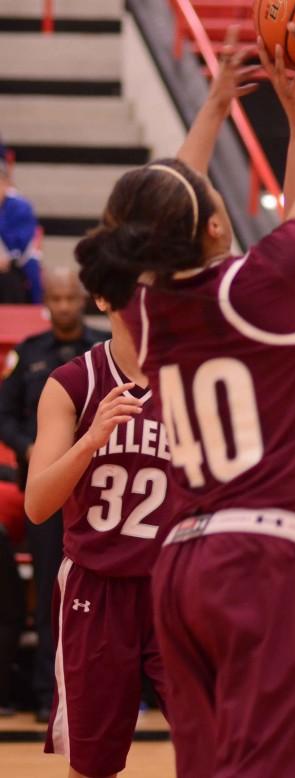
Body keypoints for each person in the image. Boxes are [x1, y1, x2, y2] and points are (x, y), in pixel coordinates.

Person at [74, 15, 295, 777]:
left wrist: (234, 114)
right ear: (209, 224)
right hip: (270, 558)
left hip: (181, 566)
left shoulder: (144, 314)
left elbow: (159, 211)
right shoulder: (259, 284)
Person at [25, 302, 170, 778]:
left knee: (213, 743)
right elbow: (37, 504)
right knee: (93, 766)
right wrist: (91, 440)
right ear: (104, 296)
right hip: (97, 589)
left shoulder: (196, 378)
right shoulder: (72, 382)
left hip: (176, 587)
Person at [0, 268, 104, 722]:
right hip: (45, 494)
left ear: (83, 299)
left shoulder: (104, 350)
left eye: (70, 297)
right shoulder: (28, 353)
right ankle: (48, 694)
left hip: (98, 495)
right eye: (56, 298)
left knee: (103, 595)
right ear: (47, 300)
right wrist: (31, 449)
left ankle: (103, 691)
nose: (63, 306)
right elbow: (4, 415)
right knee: (49, 593)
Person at [0, 148, 42, 303]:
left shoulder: (21, 206)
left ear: (6, 183)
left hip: (15, 264)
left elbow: (21, 243)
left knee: (11, 282)